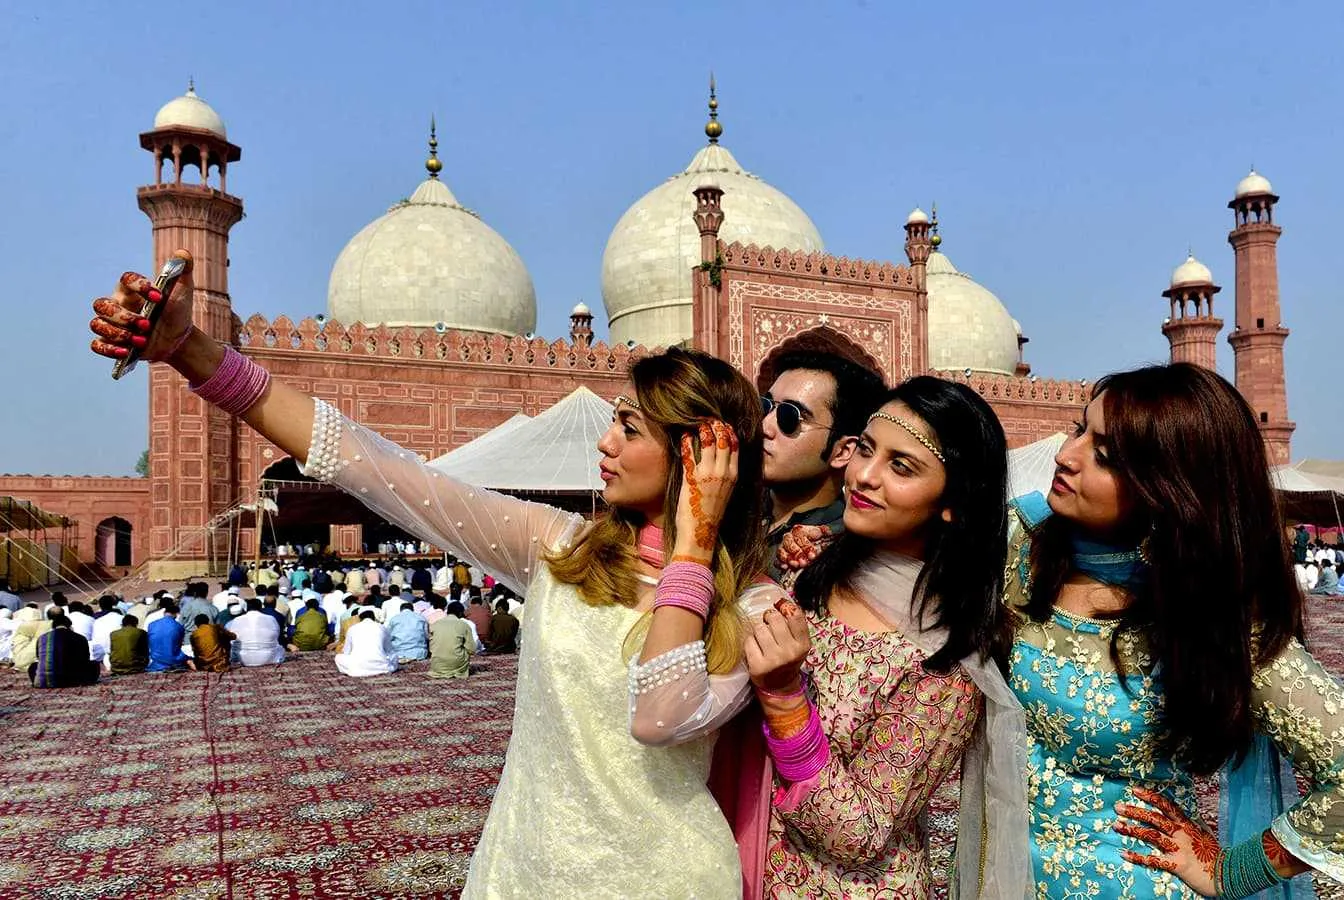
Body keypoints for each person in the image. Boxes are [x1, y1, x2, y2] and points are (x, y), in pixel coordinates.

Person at [89, 257, 789, 899]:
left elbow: (658, 717)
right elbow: (368, 463)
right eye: (612, 421)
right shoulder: (560, 549)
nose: (604, 444)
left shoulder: (755, 606)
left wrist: (693, 549)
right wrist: (190, 350)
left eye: (630, 430)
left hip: (666, 881)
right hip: (525, 869)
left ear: (702, 457)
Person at [1005, 364, 1344, 899]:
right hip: (999, 867)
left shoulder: (1207, 614)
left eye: (1102, 455)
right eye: (1078, 430)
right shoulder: (1023, 545)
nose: (1066, 455)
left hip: (1126, 880)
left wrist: (1231, 871)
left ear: (1170, 488)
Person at [744, 376, 1027, 897]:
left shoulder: (944, 656)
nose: (864, 477)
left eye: (901, 466)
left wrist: (786, 700)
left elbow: (861, 833)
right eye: (867, 450)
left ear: (953, 502)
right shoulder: (810, 575)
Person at [759, 351, 885, 586]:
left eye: (790, 416)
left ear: (842, 451)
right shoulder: (733, 507)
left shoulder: (836, 550)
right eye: (765, 407)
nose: (765, 426)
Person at [30, 614, 99, 687]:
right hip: (75, 681)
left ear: (53, 627)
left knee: (33, 666)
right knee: (94, 664)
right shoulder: (80, 638)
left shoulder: (42, 638)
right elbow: (86, 658)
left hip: (46, 681)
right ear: (70, 626)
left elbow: (39, 657)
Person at [335, 610, 399, 677]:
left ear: (360, 619)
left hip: (358, 669)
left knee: (338, 657)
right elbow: (390, 651)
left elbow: (346, 652)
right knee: (394, 656)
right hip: (382, 667)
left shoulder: (352, 628)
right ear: (374, 618)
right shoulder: (382, 627)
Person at [428, 602, 478, 678]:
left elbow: (431, 647)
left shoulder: (436, 624)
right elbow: (472, 649)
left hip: (437, 665)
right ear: (460, 613)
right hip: (456, 664)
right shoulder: (463, 624)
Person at [232, 597, 286, 667]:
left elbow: (232, 640)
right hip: (268, 658)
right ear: (261, 607)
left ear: (246, 608)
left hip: (242, 658)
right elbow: (277, 636)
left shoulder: (237, 620)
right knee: (280, 649)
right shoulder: (271, 618)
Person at [146, 602, 191, 672]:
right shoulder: (178, 626)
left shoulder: (151, 625)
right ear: (176, 614)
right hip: (173, 660)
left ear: (164, 612)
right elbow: (178, 645)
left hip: (156, 661)